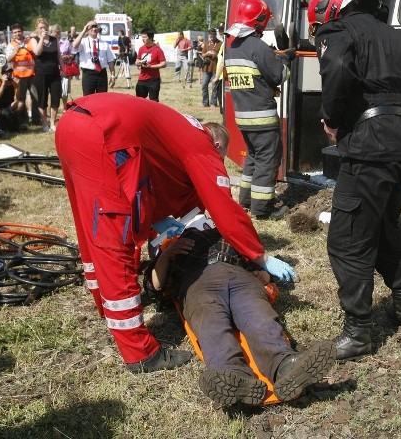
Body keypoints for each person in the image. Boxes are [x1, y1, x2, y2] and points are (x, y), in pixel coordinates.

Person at [54, 94, 297, 374]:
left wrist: (156, 219)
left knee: (91, 222)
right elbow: (224, 208)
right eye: (220, 159)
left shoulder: (176, 130)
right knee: (113, 233)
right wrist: (259, 256)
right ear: (217, 145)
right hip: (103, 132)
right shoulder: (200, 144)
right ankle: (140, 353)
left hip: (76, 124)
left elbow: (143, 178)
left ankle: (104, 303)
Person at [308, 0, 401, 360]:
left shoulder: (339, 31)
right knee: (385, 224)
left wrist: (332, 117)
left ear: (329, 11)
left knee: (348, 238)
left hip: (370, 147)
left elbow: (336, 65)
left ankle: (358, 332)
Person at [144, 222, 335, 406]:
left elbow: (262, 269)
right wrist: (167, 254)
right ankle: (233, 375)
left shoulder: (230, 234)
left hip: (241, 277)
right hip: (198, 282)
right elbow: (155, 286)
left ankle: (285, 365)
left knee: (259, 317)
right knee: (211, 323)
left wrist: (264, 275)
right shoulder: (174, 246)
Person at [224, 0, 291, 220]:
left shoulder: (233, 46)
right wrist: (286, 61)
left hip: (243, 116)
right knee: (268, 160)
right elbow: (278, 76)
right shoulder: (258, 46)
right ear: (260, 21)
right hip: (262, 116)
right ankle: (263, 209)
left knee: (253, 156)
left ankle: (245, 200)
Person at [28, 18, 62, 132]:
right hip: (41, 72)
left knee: (56, 97)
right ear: (36, 29)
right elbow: (37, 52)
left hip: (54, 72)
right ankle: (44, 123)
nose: (43, 29)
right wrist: (42, 38)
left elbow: (59, 56)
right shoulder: (34, 39)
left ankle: (52, 123)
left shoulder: (54, 39)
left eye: (45, 27)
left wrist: (63, 68)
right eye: (41, 27)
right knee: (42, 99)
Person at [6, 24, 38, 127]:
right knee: (21, 99)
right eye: (15, 32)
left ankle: (36, 119)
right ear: (12, 34)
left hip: (32, 74)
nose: (17, 34)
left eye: (19, 31)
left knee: (35, 98)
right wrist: (15, 51)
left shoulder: (29, 42)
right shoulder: (11, 45)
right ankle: (23, 121)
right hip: (19, 76)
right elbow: (8, 59)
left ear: (22, 31)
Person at [72, 20, 114, 96]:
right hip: (88, 74)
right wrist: (84, 31)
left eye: (95, 26)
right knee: (88, 99)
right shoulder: (83, 42)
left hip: (102, 74)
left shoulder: (104, 44)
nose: (94, 29)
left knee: (102, 99)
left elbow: (110, 61)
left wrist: (113, 75)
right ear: (87, 29)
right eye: (91, 27)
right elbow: (74, 45)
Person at [134, 28, 166, 102]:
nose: (143, 39)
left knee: (154, 102)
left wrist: (151, 66)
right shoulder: (141, 49)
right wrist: (138, 63)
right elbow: (137, 60)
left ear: (151, 38)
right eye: (142, 37)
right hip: (142, 79)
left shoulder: (157, 49)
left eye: (145, 37)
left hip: (153, 79)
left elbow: (164, 63)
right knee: (139, 101)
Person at [0, 67, 23, 132]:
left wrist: (17, 87)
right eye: (6, 72)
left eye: (10, 72)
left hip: (9, 105)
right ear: (2, 73)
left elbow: (16, 99)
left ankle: (15, 123)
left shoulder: (14, 82)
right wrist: (3, 83)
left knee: (20, 104)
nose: (8, 74)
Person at [55, 25, 77, 103]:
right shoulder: (49, 43)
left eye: (58, 32)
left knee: (65, 88)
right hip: (53, 68)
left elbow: (73, 53)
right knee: (53, 89)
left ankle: (65, 108)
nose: (56, 34)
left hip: (65, 67)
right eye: (54, 32)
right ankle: (54, 106)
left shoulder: (66, 42)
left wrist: (67, 56)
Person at [200, 29, 221, 107]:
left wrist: (215, 54)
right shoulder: (207, 44)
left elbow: (221, 56)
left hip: (215, 68)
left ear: (215, 35)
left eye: (212, 36)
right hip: (206, 68)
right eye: (210, 37)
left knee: (214, 87)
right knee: (204, 86)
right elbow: (202, 54)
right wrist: (207, 53)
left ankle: (213, 103)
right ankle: (205, 103)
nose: (211, 38)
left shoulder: (220, 44)